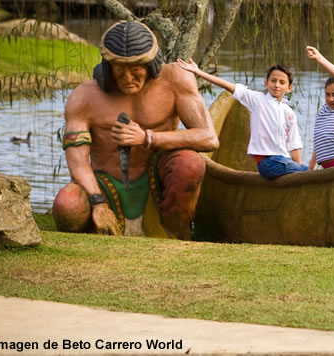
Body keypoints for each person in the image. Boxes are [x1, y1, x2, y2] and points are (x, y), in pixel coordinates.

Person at [52, 21, 219, 239]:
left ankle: (175, 235)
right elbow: (78, 161)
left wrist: (147, 137)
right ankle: (93, 236)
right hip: (105, 184)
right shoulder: (83, 98)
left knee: (189, 165)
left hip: (156, 180)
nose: (128, 78)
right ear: (107, 67)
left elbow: (208, 138)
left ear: (152, 65)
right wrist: (97, 201)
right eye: (119, 70)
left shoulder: (176, 80)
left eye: (136, 70)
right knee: (67, 205)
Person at [176, 59, 307, 179]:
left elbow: (294, 144)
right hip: (268, 164)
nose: (277, 85)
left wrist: (300, 170)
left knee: (307, 170)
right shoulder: (258, 100)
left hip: (284, 162)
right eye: (273, 81)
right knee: (307, 170)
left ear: (289, 88)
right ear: (266, 83)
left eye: (282, 82)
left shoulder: (289, 113)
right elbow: (228, 86)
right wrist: (198, 71)